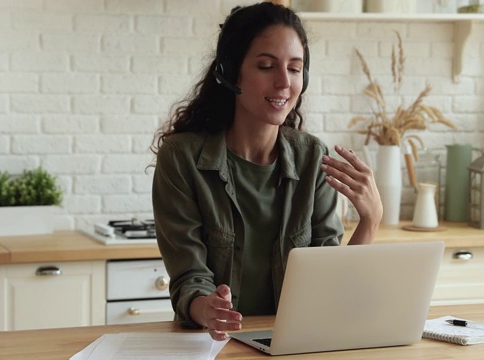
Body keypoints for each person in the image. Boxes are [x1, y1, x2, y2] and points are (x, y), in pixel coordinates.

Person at [150, 2, 382, 341]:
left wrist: (370, 221)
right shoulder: (182, 158)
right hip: (214, 346)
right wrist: (209, 309)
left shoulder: (313, 158)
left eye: (295, 68)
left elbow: (330, 287)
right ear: (230, 73)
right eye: (265, 66)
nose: (283, 82)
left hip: (293, 342)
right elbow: (189, 278)